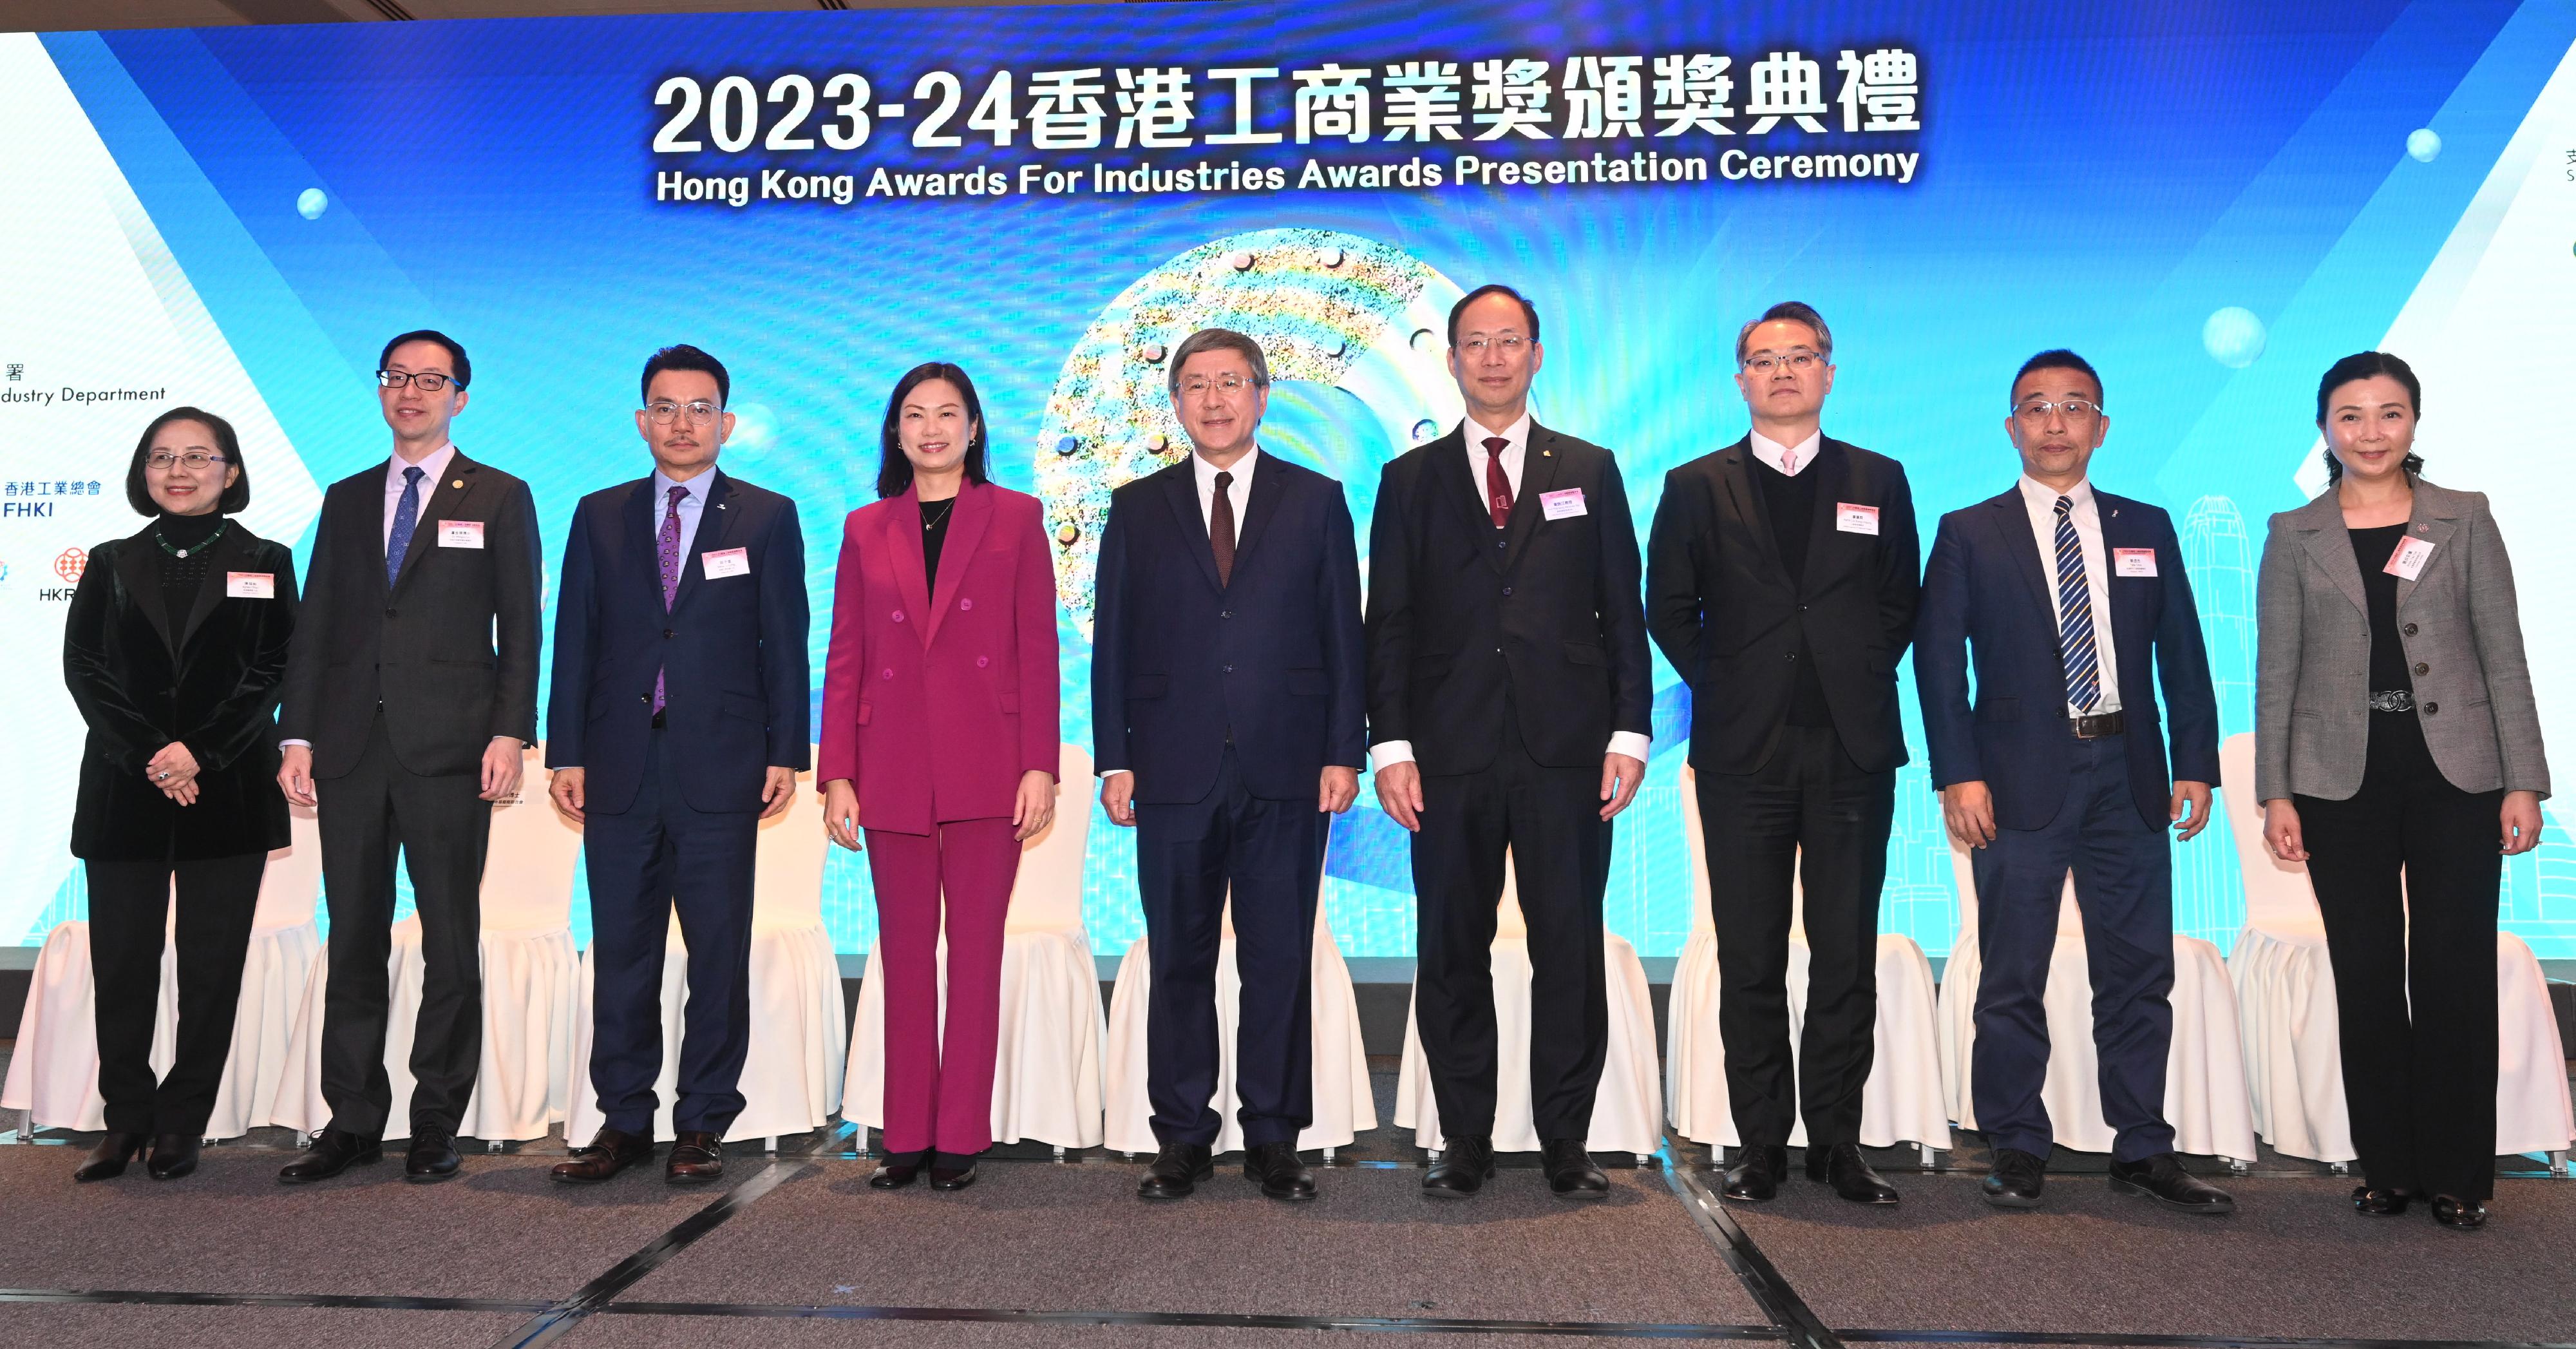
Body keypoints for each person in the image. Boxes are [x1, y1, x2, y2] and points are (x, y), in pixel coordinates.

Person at [1916, 349, 2234, 1215]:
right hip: (2014, 780)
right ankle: (2017, 1142)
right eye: (2036, 407)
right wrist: (1959, 775)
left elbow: (2184, 656)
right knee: (2011, 971)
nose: (2054, 422)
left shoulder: (2148, 525)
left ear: (2102, 425)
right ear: (2011, 426)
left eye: (2073, 406)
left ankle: (2143, 1146)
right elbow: (1940, 670)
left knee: (2138, 971)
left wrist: (2196, 762)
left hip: (2128, 772)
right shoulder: (1968, 531)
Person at [1366, 284, 1653, 1200]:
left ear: (1537, 355)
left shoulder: (1592, 469)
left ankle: (1567, 1138)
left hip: (1568, 751)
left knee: (1568, 945)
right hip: (1446, 754)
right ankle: (1466, 1138)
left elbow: (1623, 612)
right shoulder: (1408, 480)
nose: (1493, 358)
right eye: (1475, 343)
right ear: (1449, 360)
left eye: (1510, 342)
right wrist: (1390, 745)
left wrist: (1630, 730)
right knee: (1452, 947)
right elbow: (1391, 627)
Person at [2255, 352, 2546, 1230]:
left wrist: (2523, 779)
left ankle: (2461, 1174)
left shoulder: (2465, 517)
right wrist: (2277, 791)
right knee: (2370, 972)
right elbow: (2276, 674)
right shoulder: (2294, 530)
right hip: (2340, 776)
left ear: (2414, 423)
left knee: (2455, 969)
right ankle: (2388, 1165)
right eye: (2351, 416)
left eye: (2389, 414)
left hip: (2457, 771)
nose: (2370, 432)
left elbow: (2505, 654)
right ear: (2325, 428)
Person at [1645, 301, 1919, 1205]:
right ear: (1741, 380)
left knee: (1845, 952)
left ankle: (1838, 1142)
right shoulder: (1695, 485)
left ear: (1830, 372)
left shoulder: (1879, 479)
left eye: (1801, 357)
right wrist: (1727, 681)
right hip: (1742, 753)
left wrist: (1849, 673)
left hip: (1851, 749)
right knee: (1752, 954)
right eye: (1764, 359)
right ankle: (1761, 1140)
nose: (1784, 372)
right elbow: (1669, 607)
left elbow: (1897, 604)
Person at [1092, 327, 1365, 1202]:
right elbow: (1115, 645)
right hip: (1170, 767)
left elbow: (1342, 635)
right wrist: (1114, 758)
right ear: (1174, 402)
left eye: (1231, 384)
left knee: (1279, 956)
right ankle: (1180, 1135)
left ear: (1262, 395)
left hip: (1288, 763)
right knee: (1180, 955)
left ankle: (1275, 1136)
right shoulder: (1136, 506)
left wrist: (1343, 749)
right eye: (1196, 386)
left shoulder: (1317, 499)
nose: (1214, 400)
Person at [276, 331, 542, 1185]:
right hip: (351, 749)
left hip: (452, 748)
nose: (412, 393)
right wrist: (298, 733)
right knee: (352, 934)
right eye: (398, 378)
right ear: (381, 390)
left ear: (461, 396)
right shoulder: (349, 497)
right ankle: (351, 1117)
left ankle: (435, 1120)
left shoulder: (500, 496)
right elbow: (317, 625)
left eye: (432, 381)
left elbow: (522, 625)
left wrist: (509, 730)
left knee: (450, 942)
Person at [545, 345, 809, 1185]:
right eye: (666, 406)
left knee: (717, 951)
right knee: (622, 952)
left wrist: (785, 752)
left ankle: (702, 1121)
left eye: (700, 408)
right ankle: (623, 1119)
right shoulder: (599, 514)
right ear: (640, 420)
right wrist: (568, 752)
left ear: (726, 423)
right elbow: (575, 642)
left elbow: (785, 644)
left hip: (721, 768)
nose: (683, 422)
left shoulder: (766, 516)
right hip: (619, 766)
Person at [819, 362, 1060, 1192]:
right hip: (889, 766)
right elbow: (845, 655)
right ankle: (907, 1133)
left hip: (987, 765)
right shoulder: (864, 527)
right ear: (895, 432)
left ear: (974, 428)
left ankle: (960, 1132)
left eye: (947, 414)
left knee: (977, 953)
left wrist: (1040, 765)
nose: (931, 429)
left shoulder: (1017, 516)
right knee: (906, 956)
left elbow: (1037, 649)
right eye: (915, 415)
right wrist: (837, 774)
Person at [62, 408, 298, 1183]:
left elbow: (272, 669)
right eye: (163, 457)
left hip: (224, 790)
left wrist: (197, 752)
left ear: (230, 472)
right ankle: (123, 1120)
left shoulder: (267, 558)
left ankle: (181, 1122)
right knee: (123, 963)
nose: (180, 470)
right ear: (143, 471)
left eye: (199, 457)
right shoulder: (109, 560)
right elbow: (86, 669)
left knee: (209, 967)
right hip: (124, 791)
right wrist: (152, 755)